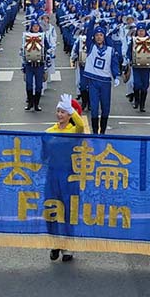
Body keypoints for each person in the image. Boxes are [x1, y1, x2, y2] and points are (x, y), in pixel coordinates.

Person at [45, 94, 85, 262]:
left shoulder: (74, 131)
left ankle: (68, 247)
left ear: (69, 115)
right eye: (58, 111)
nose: (60, 114)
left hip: (70, 176)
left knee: (69, 210)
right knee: (51, 209)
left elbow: (81, 125)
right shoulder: (49, 132)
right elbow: (43, 154)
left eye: (64, 112)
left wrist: (72, 110)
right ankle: (55, 243)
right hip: (52, 174)